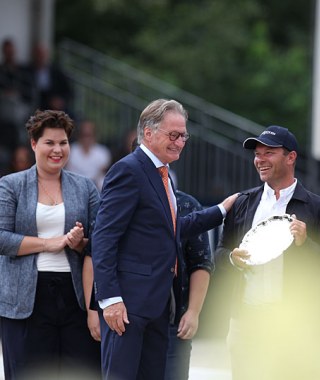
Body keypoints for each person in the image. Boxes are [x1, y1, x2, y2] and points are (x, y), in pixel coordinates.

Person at [91, 98, 238, 380]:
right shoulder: (128, 170)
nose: (180, 142)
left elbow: (169, 229)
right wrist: (109, 299)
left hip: (159, 303)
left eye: (184, 135)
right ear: (148, 133)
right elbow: (104, 237)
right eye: (174, 135)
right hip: (126, 306)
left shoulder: (164, 174)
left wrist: (220, 210)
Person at [215, 125, 320, 380]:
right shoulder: (242, 203)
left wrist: (306, 243)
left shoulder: (318, 207)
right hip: (245, 320)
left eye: (269, 153)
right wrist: (231, 259)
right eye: (257, 154)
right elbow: (220, 253)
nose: (260, 160)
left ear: (291, 157)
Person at [0, 109, 101, 380]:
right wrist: (50, 243)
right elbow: (1, 238)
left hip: (76, 296)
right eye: (50, 142)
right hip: (25, 298)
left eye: (63, 143)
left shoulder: (86, 187)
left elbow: (102, 242)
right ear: (34, 144)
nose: (57, 150)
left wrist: (78, 243)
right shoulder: (11, 185)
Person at [164, 190, 213, 380]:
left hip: (174, 321)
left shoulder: (186, 205)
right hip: (129, 320)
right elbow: (98, 254)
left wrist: (193, 311)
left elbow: (201, 262)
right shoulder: (123, 199)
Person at [66, 119, 112, 190]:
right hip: (74, 184)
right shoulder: (71, 150)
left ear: (94, 135)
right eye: (84, 135)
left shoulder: (102, 152)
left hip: (96, 185)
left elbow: (102, 172)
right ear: (79, 135)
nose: (86, 139)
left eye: (89, 135)